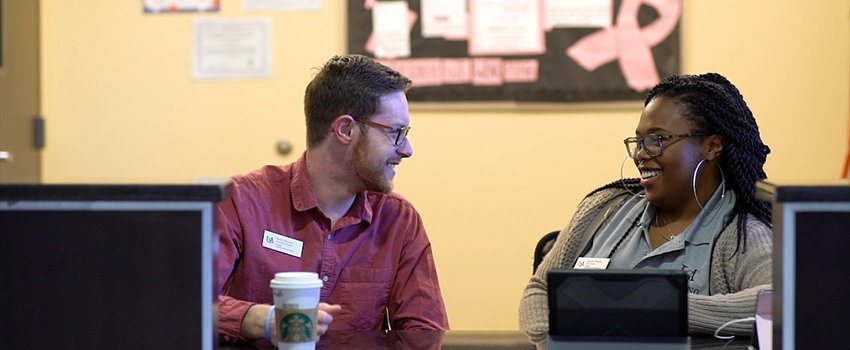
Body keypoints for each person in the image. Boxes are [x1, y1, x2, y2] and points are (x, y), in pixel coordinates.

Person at [519, 73, 773, 346]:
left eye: (657, 139)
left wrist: (655, 308)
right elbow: (539, 289)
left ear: (712, 146)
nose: (641, 153)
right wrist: (556, 342)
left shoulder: (743, 233)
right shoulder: (604, 208)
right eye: (639, 141)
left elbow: (778, 299)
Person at [216, 55, 450, 344]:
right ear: (345, 130)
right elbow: (189, 302)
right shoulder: (240, 202)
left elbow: (424, 332)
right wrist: (262, 321)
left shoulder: (399, 220)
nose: (407, 150)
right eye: (396, 133)